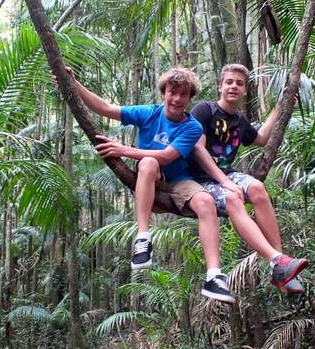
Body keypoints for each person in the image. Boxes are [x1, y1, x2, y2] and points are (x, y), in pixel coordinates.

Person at [70, 66, 236, 303]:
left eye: (183, 94)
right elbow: (105, 108)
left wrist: (123, 150)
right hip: (151, 179)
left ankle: (214, 275)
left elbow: (168, 156)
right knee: (148, 163)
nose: (176, 99)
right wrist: (73, 83)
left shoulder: (192, 127)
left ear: (190, 97)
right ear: (164, 92)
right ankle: (143, 238)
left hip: (178, 181)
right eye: (172, 92)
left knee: (206, 201)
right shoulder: (149, 113)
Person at [188, 63, 308, 294]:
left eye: (239, 83)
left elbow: (261, 139)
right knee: (233, 197)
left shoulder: (240, 120)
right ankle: (277, 261)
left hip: (227, 175)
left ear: (245, 90)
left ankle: (281, 265)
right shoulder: (205, 110)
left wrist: (280, 107)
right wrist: (225, 182)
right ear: (220, 86)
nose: (234, 86)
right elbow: (197, 149)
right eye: (229, 82)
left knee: (257, 188)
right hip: (199, 179)